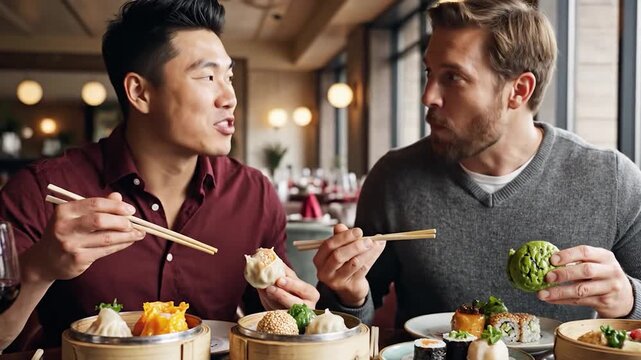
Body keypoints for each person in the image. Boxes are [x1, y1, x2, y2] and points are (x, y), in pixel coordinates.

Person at [0, 0, 318, 351]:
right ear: (140, 92)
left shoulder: (253, 193)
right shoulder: (41, 190)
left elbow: (273, 329)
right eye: (208, 77)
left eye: (228, 77)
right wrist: (39, 268)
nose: (229, 97)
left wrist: (297, 311)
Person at [314, 0, 641, 327]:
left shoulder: (610, 180)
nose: (428, 96)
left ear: (519, 90)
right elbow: (341, 323)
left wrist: (628, 299)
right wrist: (348, 295)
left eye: (452, 77)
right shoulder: (394, 178)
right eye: (430, 73)